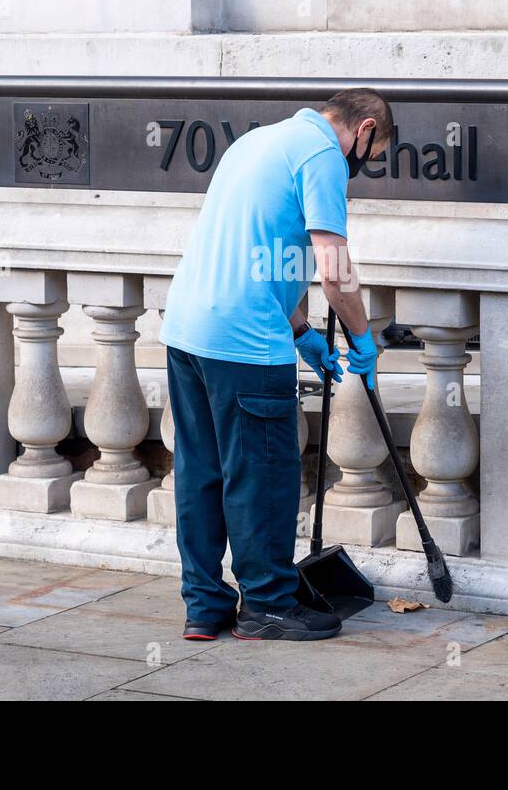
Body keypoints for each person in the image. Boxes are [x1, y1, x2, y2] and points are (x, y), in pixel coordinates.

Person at [158, 88, 394, 642]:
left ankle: (205, 605)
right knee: (262, 475)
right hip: (244, 344)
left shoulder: (258, 141)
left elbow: (259, 251)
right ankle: (266, 604)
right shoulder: (322, 157)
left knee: (201, 473)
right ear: (362, 130)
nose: (363, 166)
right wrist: (362, 338)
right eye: (373, 155)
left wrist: (304, 332)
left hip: (189, 329)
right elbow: (333, 271)